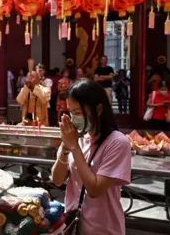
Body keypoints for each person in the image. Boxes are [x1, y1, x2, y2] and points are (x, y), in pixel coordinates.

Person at [51, 79, 131, 235]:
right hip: (74, 225)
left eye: (79, 113)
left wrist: (74, 147)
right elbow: (57, 179)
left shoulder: (117, 142)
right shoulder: (76, 137)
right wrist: (66, 147)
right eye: (71, 112)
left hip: (103, 228)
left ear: (99, 109)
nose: (74, 118)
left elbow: (94, 189)